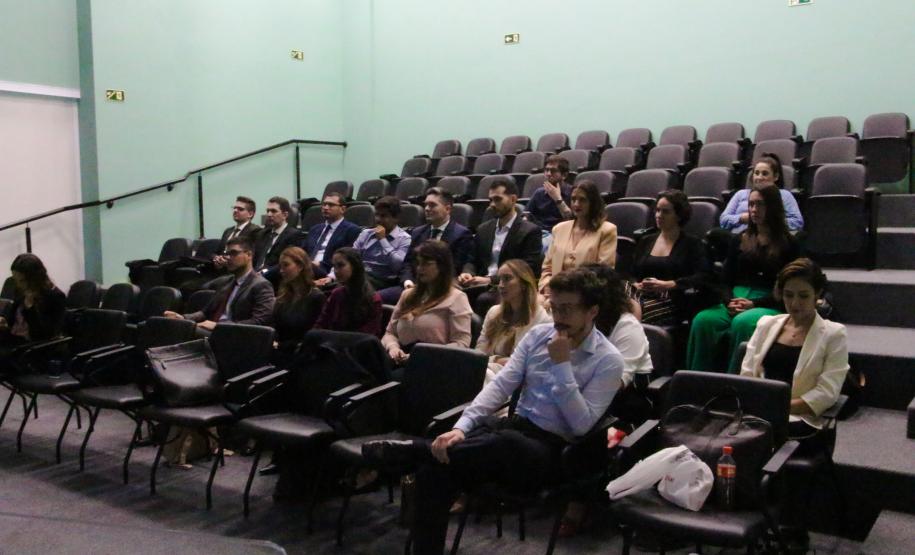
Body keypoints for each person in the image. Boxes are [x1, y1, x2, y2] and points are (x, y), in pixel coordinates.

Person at [363, 268, 624, 555]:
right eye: (555, 307)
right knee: (435, 470)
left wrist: (561, 366)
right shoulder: (538, 336)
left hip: (556, 451)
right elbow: (500, 386)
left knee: (502, 441)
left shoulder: (608, 359)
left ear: (592, 311)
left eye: (568, 309)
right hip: (513, 432)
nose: (558, 317)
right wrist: (461, 428)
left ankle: (412, 451)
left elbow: (580, 426)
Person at [687, 185, 800, 372]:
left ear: (772, 207)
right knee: (703, 320)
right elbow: (724, 280)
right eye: (751, 204)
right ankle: (698, 381)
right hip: (735, 298)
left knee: (743, 322)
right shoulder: (739, 239)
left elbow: (788, 288)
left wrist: (753, 304)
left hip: (768, 302)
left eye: (760, 205)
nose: (754, 210)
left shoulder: (789, 243)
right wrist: (729, 300)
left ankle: (735, 385)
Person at [740, 258, 849, 444]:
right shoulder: (766, 324)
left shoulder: (834, 334)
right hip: (759, 414)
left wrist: (777, 409)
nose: (795, 303)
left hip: (801, 418)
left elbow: (826, 393)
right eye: (788, 295)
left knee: (752, 437)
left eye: (803, 296)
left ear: (817, 294)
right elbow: (747, 375)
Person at [382, 240, 472, 366]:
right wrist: (393, 348)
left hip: (434, 364)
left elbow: (462, 342)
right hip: (399, 360)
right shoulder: (408, 295)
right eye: (418, 264)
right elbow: (390, 333)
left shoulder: (457, 298)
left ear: (442, 266)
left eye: (426, 264)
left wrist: (422, 356)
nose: (419, 269)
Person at [458, 178, 541, 310]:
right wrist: (467, 272)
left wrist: (491, 280)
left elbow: (528, 268)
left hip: (508, 286)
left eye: (497, 199)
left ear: (513, 199)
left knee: (483, 299)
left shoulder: (530, 231)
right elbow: (472, 259)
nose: (492, 204)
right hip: (479, 283)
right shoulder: (483, 229)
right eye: (490, 200)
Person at [165, 237, 275, 334]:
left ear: (249, 255)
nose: (228, 257)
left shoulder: (261, 285)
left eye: (234, 253)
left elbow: (260, 321)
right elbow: (204, 313)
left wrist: (219, 326)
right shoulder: (226, 282)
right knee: (173, 325)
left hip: (236, 336)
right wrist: (183, 318)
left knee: (183, 331)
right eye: (227, 253)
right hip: (215, 332)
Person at [632, 190, 709, 325]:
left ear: (679, 216)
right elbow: (631, 273)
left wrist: (671, 284)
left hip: (672, 300)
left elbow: (703, 276)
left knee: (629, 315)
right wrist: (635, 285)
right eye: (657, 210)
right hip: (640, 296)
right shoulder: (645, 241)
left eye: (665, 212)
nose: (659, 215)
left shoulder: (692, 243)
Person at [381, 188, 473, 302]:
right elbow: (408, 263)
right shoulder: (417, 232)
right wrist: (407, 281)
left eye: (432, 205)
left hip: (441, 289)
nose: (427, 209)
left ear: (447, 208)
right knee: (375, 299)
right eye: (426, 205)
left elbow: (455, 268)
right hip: (413, 286)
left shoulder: (461, 234)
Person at [476, 259, 552, 382]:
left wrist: (493, 361)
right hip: (488, 372)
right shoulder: (494, 312)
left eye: (507, 279)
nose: (501, 285)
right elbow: (479, 353)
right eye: (500, 279)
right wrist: (496, 360)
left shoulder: (542, 319)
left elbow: (525, 365)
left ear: (523, 283)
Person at [539, 180, 617, 294]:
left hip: (587, 296)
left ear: (593, 203)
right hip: (554, 293)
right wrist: (547, 287)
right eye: (573, 199)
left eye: (582, 200)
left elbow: (604, 274)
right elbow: (547, 269)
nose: (576, 204)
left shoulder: (607, 230)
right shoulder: (559, 229)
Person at [340, 196, 412, 305]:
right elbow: (351, 256)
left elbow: (398, 267)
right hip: (362, 275)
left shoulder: (404, 239)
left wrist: (383, 240)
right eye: (377, 215)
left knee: (349, 292)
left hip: (384, 280)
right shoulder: (366, 233)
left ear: (396, 218)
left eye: (383, 216)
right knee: (337, 288)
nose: (378, 219)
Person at [720, 153, 804, 233]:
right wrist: (743, 218)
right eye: (756, 173)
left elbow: (797, 223)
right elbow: (723, 220)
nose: (759, 177)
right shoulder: (740, 194)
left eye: (765, 174)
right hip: (738, 239)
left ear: (776, 177)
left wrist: (766, 220)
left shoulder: (784, 195)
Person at [0, 254, 66, 351]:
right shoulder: (20, 291)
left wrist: (30, 308)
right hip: (13, 339)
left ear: (34, 279)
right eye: (15, 280)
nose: (17, 284)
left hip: (32, 346)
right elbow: (13, 322)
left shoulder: (54, 297)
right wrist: (4, 323)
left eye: (21, 281)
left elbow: (43, 335)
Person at [271, 247, 325, 360]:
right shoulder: (283, 296)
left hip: (299, 355)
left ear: (300, 266)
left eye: (286, 265)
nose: (281, 270)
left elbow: (311, 336)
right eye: (280, 266)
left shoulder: (316, 297)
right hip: (277, 351)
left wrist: (280, 345)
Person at [314, 247, 383, 337]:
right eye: (334, 266)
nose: (336, 271)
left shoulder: (373, 299)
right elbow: (321, 323)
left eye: (341, 265)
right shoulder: (336, 294)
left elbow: (368, 336)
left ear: (355, 266)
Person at [305, 192, 361, 281]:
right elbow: (302, 251)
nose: (326, 208)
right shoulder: (314, 229)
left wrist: (319, 265)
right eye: (324, 204)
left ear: (342, 209)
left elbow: (348, 259)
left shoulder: (352, 230)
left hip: (328, 270)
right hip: (307, 267)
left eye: (331, 205)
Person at [253, 196, 304, 282]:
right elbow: (254, 258)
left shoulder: (294, 235)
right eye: (267, 211)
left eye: (273, 211)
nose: (269, 214)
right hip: (255, 277)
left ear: (285, 215)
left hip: (274, 278)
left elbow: (285, 264)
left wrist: (263, 273)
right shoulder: (262, 234)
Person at [526, 155, 573, 239]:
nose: (548, 174)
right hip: (538, 233)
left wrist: (558, 199)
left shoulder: (573, 193)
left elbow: (572, 220)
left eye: (553, 171)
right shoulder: (539, 193)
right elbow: (526, 214)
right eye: (546, 170)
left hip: (561, 234)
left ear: (564, 175)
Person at [214, 196, 262, 266]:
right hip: (221, 270)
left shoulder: (255, 231)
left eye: (240, 209)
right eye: (234, 208)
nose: (235, 210)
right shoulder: (228, 231)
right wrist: (216, 258)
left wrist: (228, 261)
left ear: (250, 214)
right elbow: (218, 252)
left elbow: (253, 257)